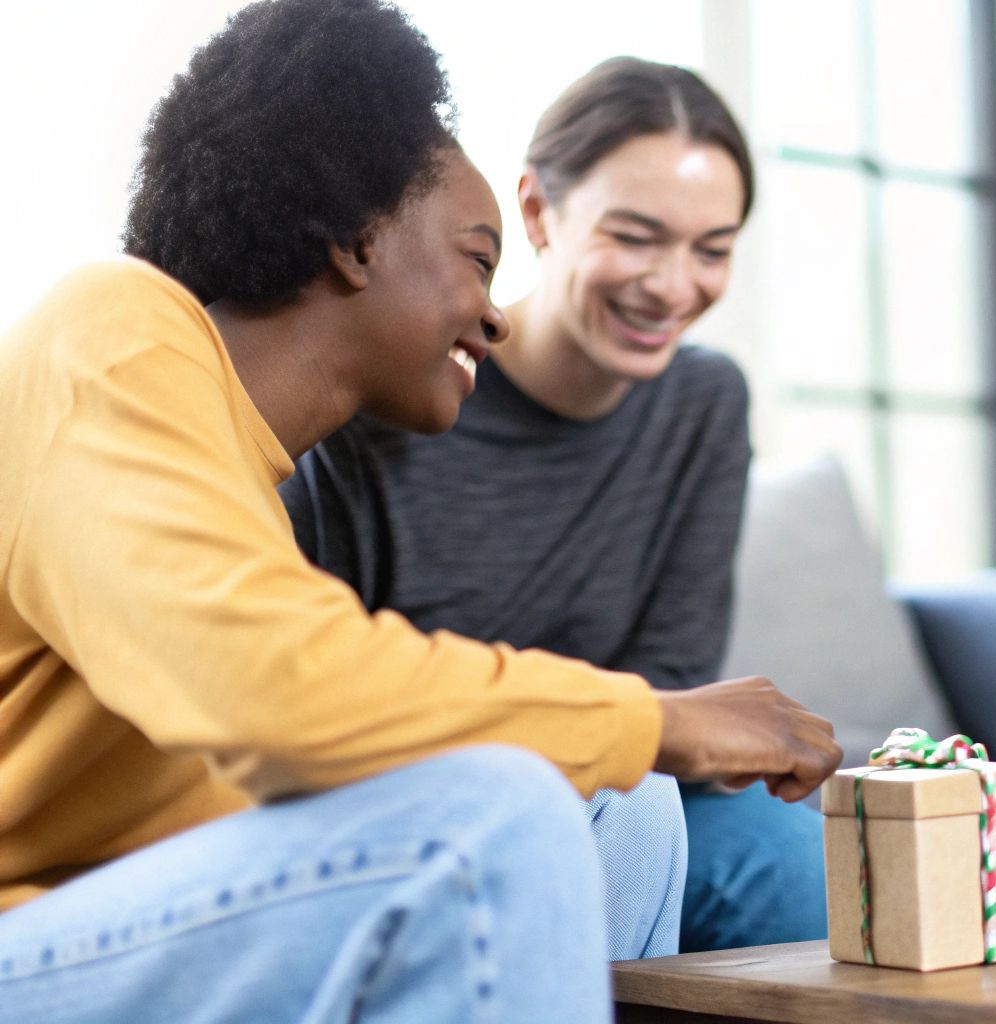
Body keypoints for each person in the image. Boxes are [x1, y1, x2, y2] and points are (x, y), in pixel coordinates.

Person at [0, 2, 838, 1020]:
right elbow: (281, 693)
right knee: (496, 815)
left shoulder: (247, 474)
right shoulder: (112, 326)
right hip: (34, 935)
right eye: (477, 260)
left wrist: (638, 742)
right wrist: (653, 718)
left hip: (176, 914)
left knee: (632, 806)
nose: (492, 311)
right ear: (358, 239)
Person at [282, 57, 829, 953]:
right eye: (636, 236)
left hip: (631, 780)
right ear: (536, 212)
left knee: (799, 859)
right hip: (427, 795)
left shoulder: (704, 405)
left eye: (712, 248)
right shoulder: (396, 402)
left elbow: (673, 671)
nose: (672, 284)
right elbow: (326, 701)